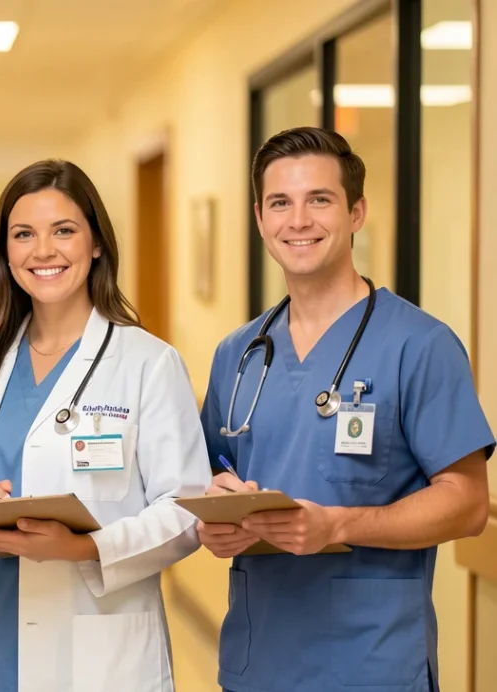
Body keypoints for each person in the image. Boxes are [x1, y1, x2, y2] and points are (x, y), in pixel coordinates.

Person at [198, 126, 494, 692]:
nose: (299, 220)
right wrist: (217, 523)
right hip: (257, 661)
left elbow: (468, 504)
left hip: (372, 663)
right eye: (281, 203)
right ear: (260, 218)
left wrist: (339, 523)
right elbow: (213, 475)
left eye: (320, 200)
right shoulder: (239, 354)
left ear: (356, 212)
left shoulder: (420, 345)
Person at [0, 159, 212, 692]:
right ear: (4, 252)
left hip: (99, 651)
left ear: (97, 243)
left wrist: (83, 547)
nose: (43, 251)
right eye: (23, 234)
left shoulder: (147, 362)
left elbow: (183, 509)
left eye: (64, 230)